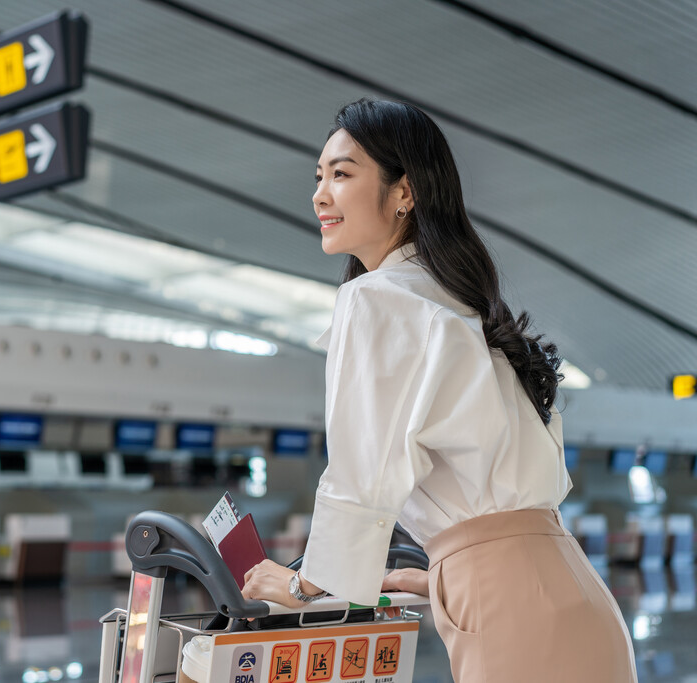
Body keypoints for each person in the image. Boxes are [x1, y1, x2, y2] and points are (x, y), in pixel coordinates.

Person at [241, 98, 637, 683]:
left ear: (405, 191)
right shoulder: (460, 303)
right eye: (319, 177)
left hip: (512, 613)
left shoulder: (376, 298)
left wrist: (301, 585)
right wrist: (450, 574)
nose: (320, 195)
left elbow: (361, 472)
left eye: (343, 174)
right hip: (571, 592)